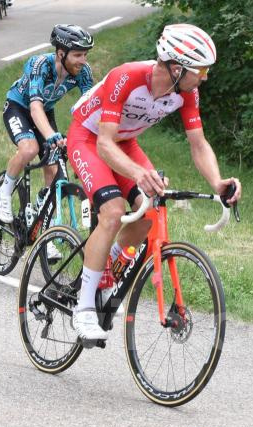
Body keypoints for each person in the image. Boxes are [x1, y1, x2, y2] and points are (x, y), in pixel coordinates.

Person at [65, 24, 242, 342]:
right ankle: (83, 308)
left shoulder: (187, 93)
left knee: (149, 213)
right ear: (177, 68)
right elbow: (104, 143)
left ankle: (108, 271)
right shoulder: (128, 76)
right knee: (113, 211)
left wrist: (217, 181)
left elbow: (198, 143)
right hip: (89, 139)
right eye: (200, 70)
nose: (204, 77)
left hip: (126, 143)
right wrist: (138, 174)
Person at [0, 25, 95, 224]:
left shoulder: (83, 72)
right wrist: (51, 136)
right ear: (61, 53)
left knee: (55, 169)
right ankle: (4, 192)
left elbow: (90, 108)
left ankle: (43, 224)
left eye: (85, 55)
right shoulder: (39, 64)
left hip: (45, 111)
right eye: (77, 55)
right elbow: (34, 108)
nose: (83, 61)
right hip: (19, 107)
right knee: (29, 148)